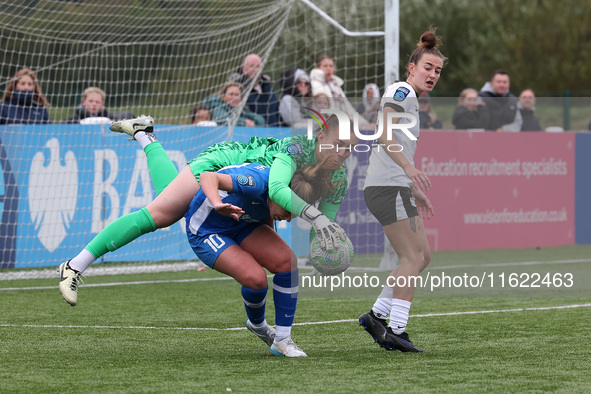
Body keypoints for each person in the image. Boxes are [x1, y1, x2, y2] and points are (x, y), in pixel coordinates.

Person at [58, 114, 357, 308]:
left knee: (173, 201)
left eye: (350, 149)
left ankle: (145, 135)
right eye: (339, 144)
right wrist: (314, 217)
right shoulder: (297, 147)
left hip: (256, 192)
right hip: (226, 163)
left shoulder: (338, 178)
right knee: (161, 214)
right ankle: (74, 265)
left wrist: (327, 251)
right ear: (320, 136)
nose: (343, 153)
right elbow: (277, 189)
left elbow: (325, 226)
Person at [359, 29, 445, 353]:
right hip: (386, 188)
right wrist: (408, 170)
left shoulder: (411, 98)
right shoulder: (401, 91)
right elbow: (382, 133)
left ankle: (377, 315)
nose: (433, 75)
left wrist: (412, 186)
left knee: (423, 256)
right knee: (411, 257)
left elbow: (397, 148)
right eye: (427, 68)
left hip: (394, 186)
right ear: (411, 67)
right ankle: (396, 330)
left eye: (437, 71)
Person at [310, 54, 369, 128]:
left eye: (331, 66)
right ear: (318, 68)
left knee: (369, 126)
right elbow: (324, 109)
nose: (328, 68)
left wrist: (362, 122)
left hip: (343, 120)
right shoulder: (315, 83)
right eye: (325, 66)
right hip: (330, 123)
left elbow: (348, 108)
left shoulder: (335, 85)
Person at [228, 53, 280, 127]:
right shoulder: (236, 88)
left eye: (258, 66)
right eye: (252, 66)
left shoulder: (267, 86)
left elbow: (276, 110)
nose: (256, 70)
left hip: (273, 132)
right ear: (243, 68)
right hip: (249, 132)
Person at [64, 87, 129, 124]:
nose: (94, 104)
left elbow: (128, 115)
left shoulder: (108, 116)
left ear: (102, 104)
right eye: (91, 101)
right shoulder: (73, 120)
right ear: (84, 102)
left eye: (97, 102)